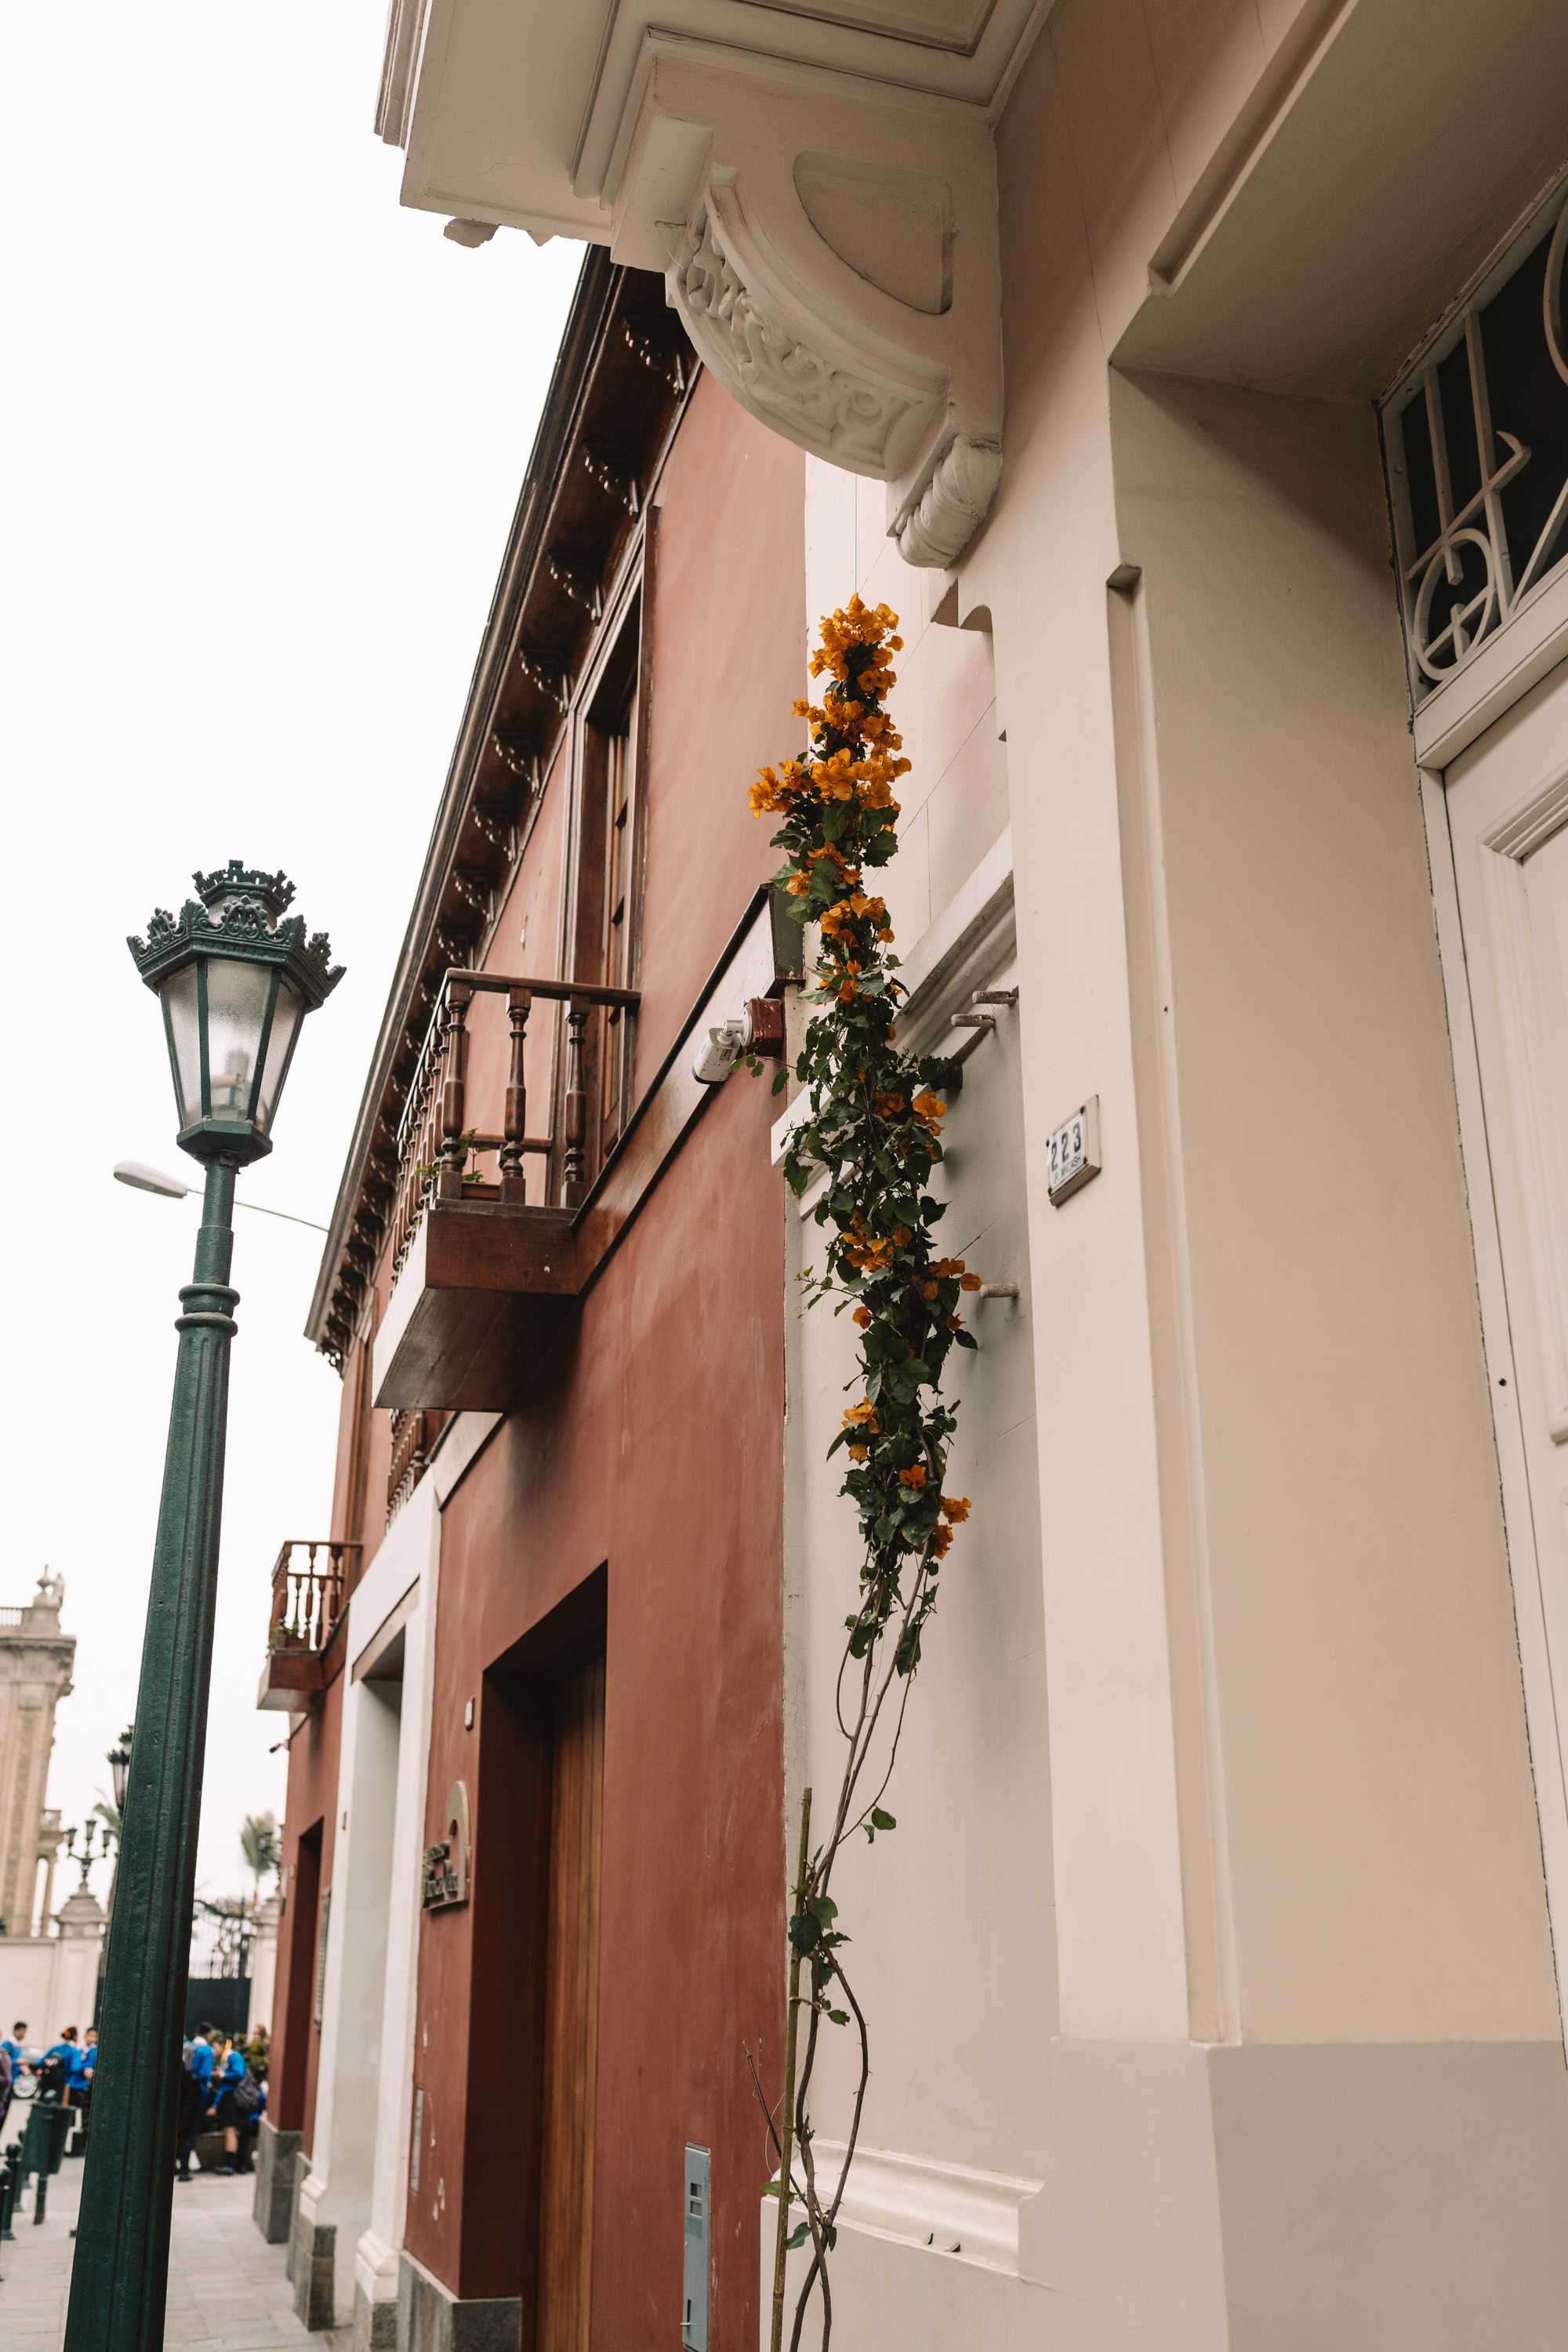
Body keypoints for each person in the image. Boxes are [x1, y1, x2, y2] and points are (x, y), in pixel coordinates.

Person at [175, 2048, 205, 2183]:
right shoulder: (189, 2081)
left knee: (186, 2138)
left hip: (187, 2117)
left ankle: (183, 2170)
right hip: (186, 2117)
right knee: (187, 2138)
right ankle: (183, 2170)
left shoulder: (188, 2082)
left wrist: (181, 2130)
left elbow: (189, 2108)